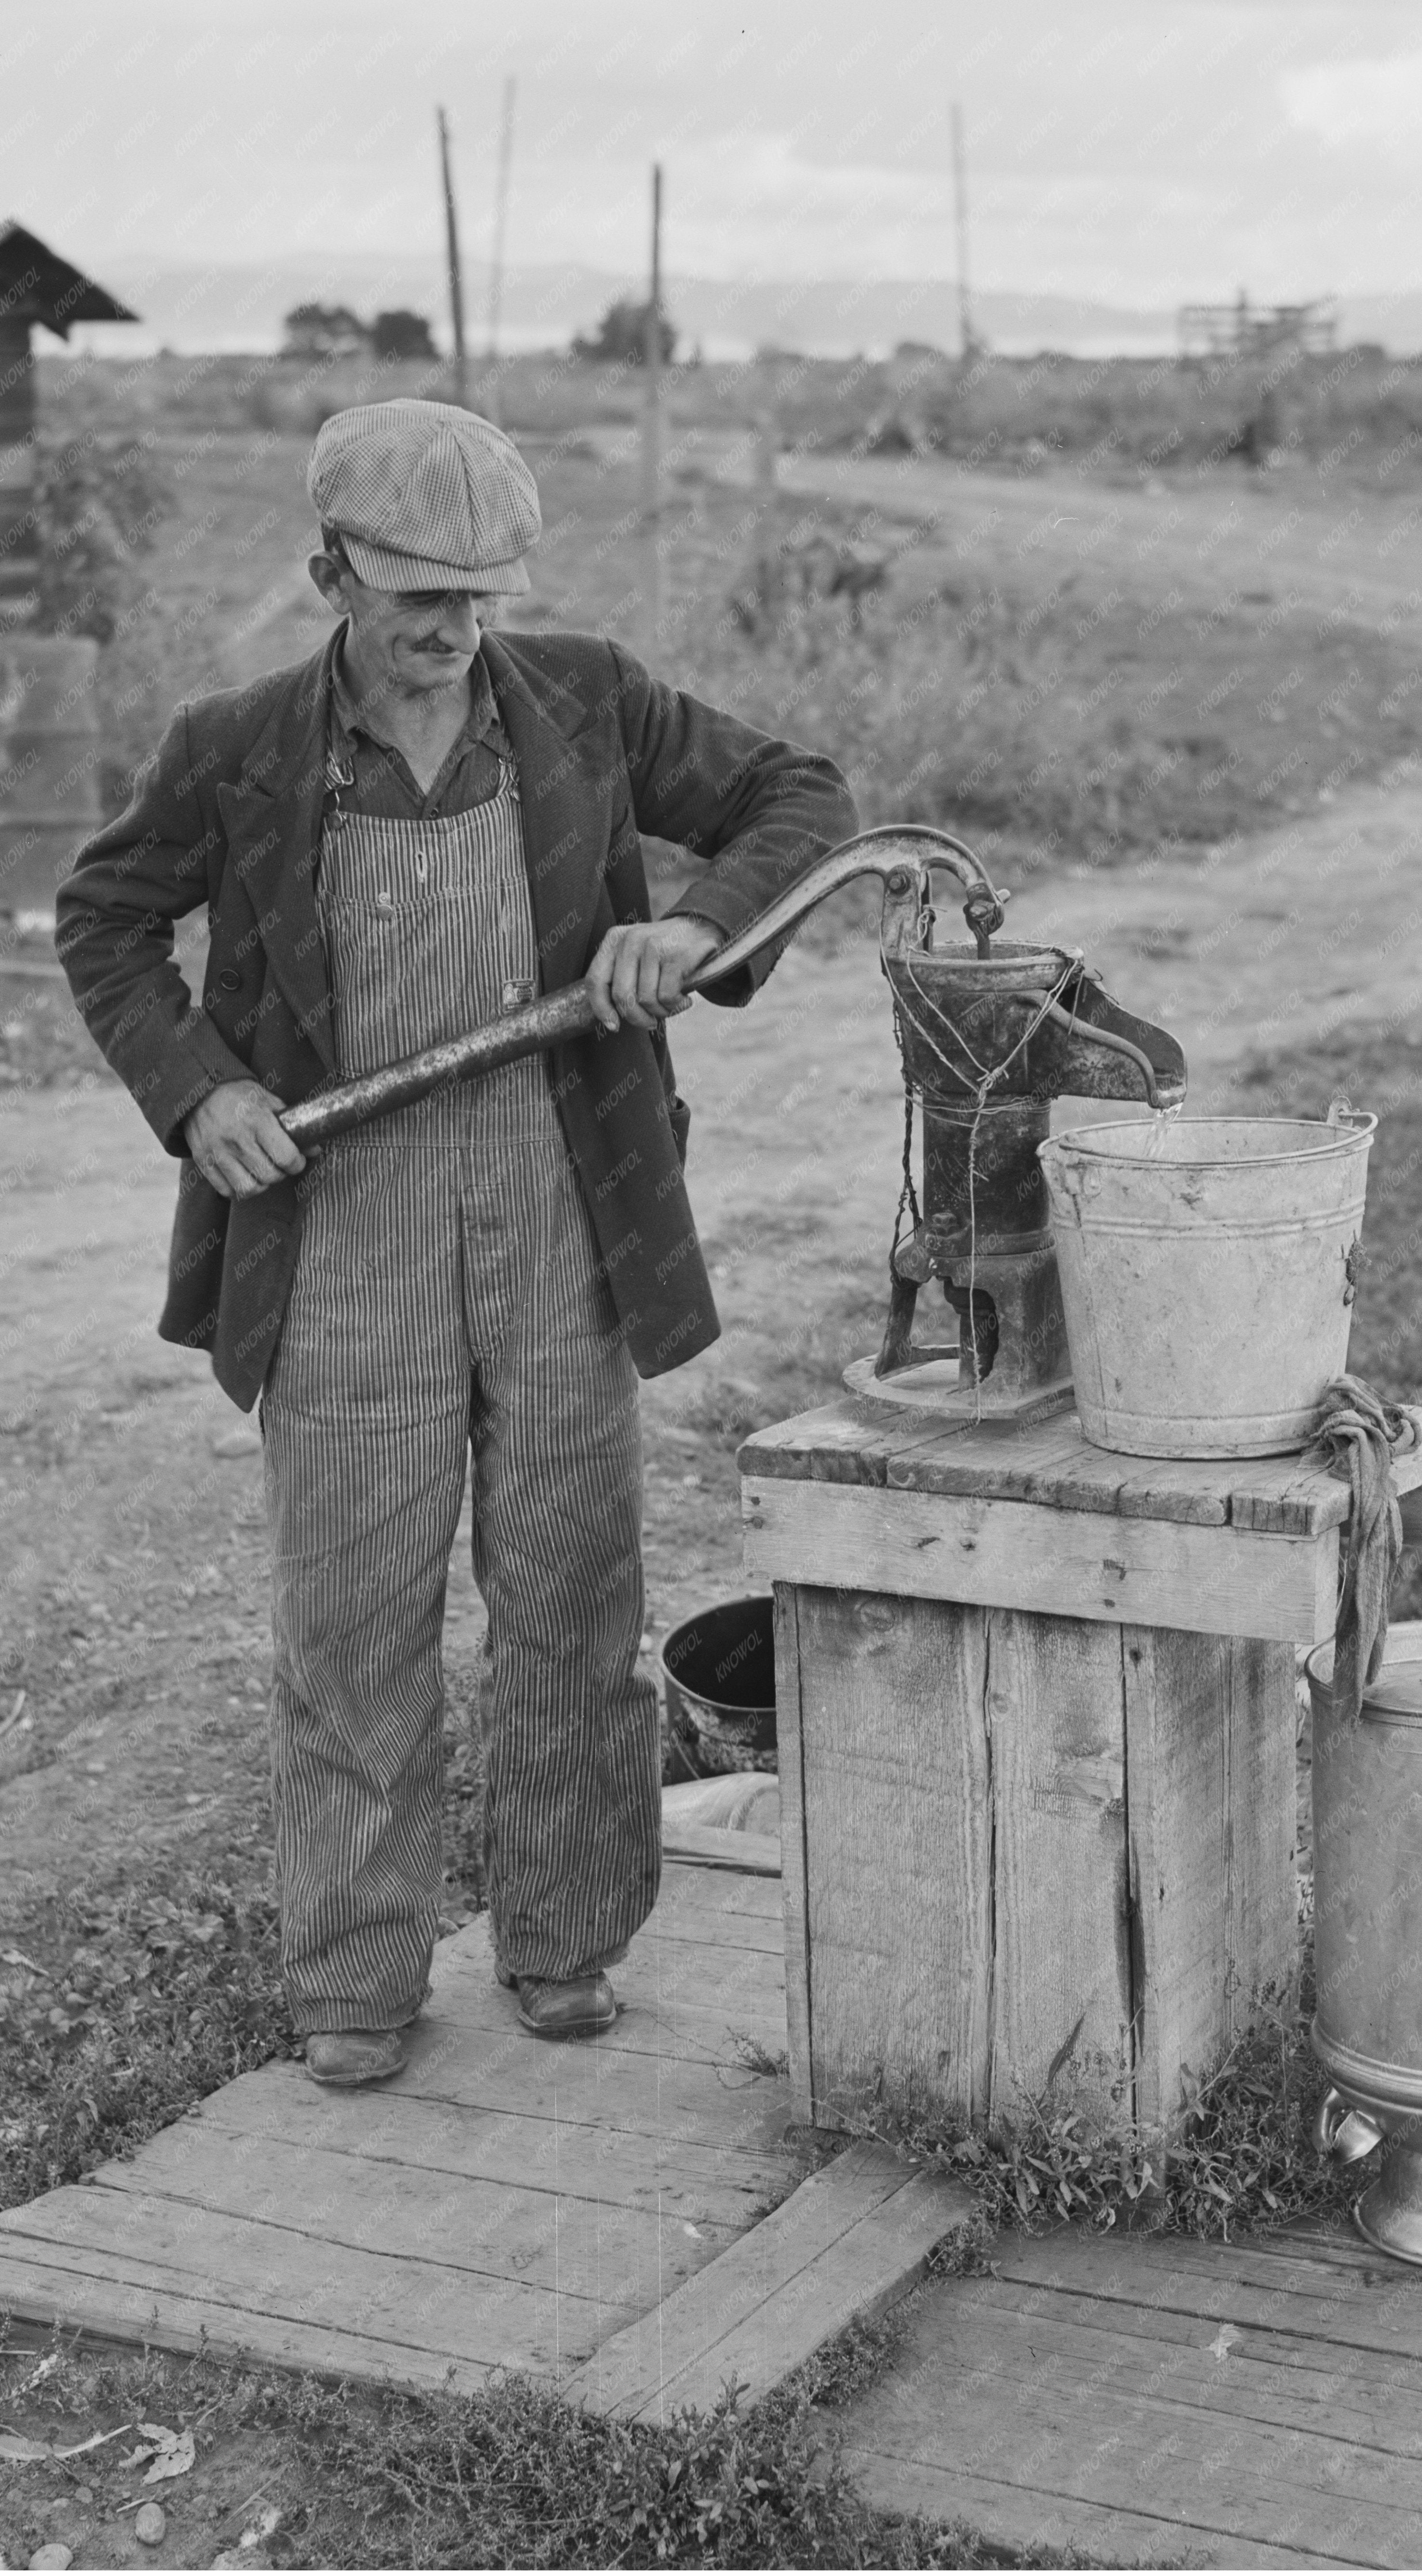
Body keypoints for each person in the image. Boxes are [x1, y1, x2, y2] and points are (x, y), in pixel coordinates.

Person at [55, 400, 854, 2087]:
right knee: (353, 1622)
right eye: (417, 594)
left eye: (479, 594)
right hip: (337, 1232)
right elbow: (107, 920)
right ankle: (354, 1978)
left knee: (571, 1598)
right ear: (328, 569)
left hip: (567, 1219)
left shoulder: (588, 700)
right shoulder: (237, 746)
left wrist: (696, 922)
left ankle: (565, 1944)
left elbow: (800, 796)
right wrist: (199, 1093)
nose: (451, 628)